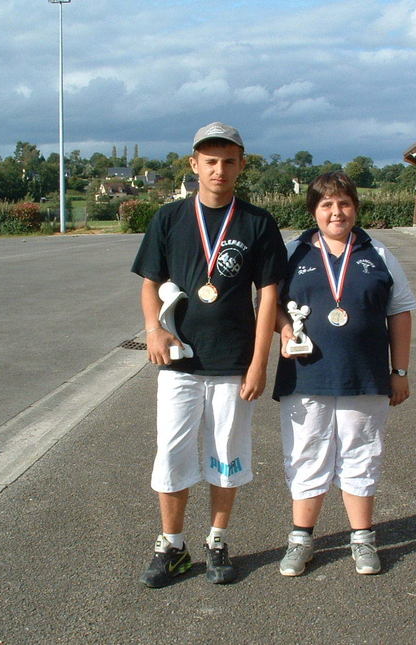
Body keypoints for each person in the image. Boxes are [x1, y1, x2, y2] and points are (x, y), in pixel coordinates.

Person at [131, 122, 287, 588]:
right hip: (178, 360)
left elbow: (269, 298)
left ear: (241, 165)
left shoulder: (258, 222)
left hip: (233, 363)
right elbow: (149, 284)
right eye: (210, 161)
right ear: (194, 164)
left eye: (229, 161)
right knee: (172, 454)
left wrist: (261, 362)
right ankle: (173, 545)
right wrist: (152, 329)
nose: (219, 169)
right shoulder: (169, 218)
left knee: (226, 455)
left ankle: (217, 540)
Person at [272, 171, 416, 576]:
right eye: (326, 205)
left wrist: (399, 370)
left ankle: (362, 538)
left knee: (361, 452)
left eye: (344, 203)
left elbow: (400, 312)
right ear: (313, 211)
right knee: (306, 454)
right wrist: (284, 329)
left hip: (364, 375)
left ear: (355, 207)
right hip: (305, 377)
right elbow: (269, 305)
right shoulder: (291, 252)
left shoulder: (380, 254)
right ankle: (301, 539)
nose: (337, 212)